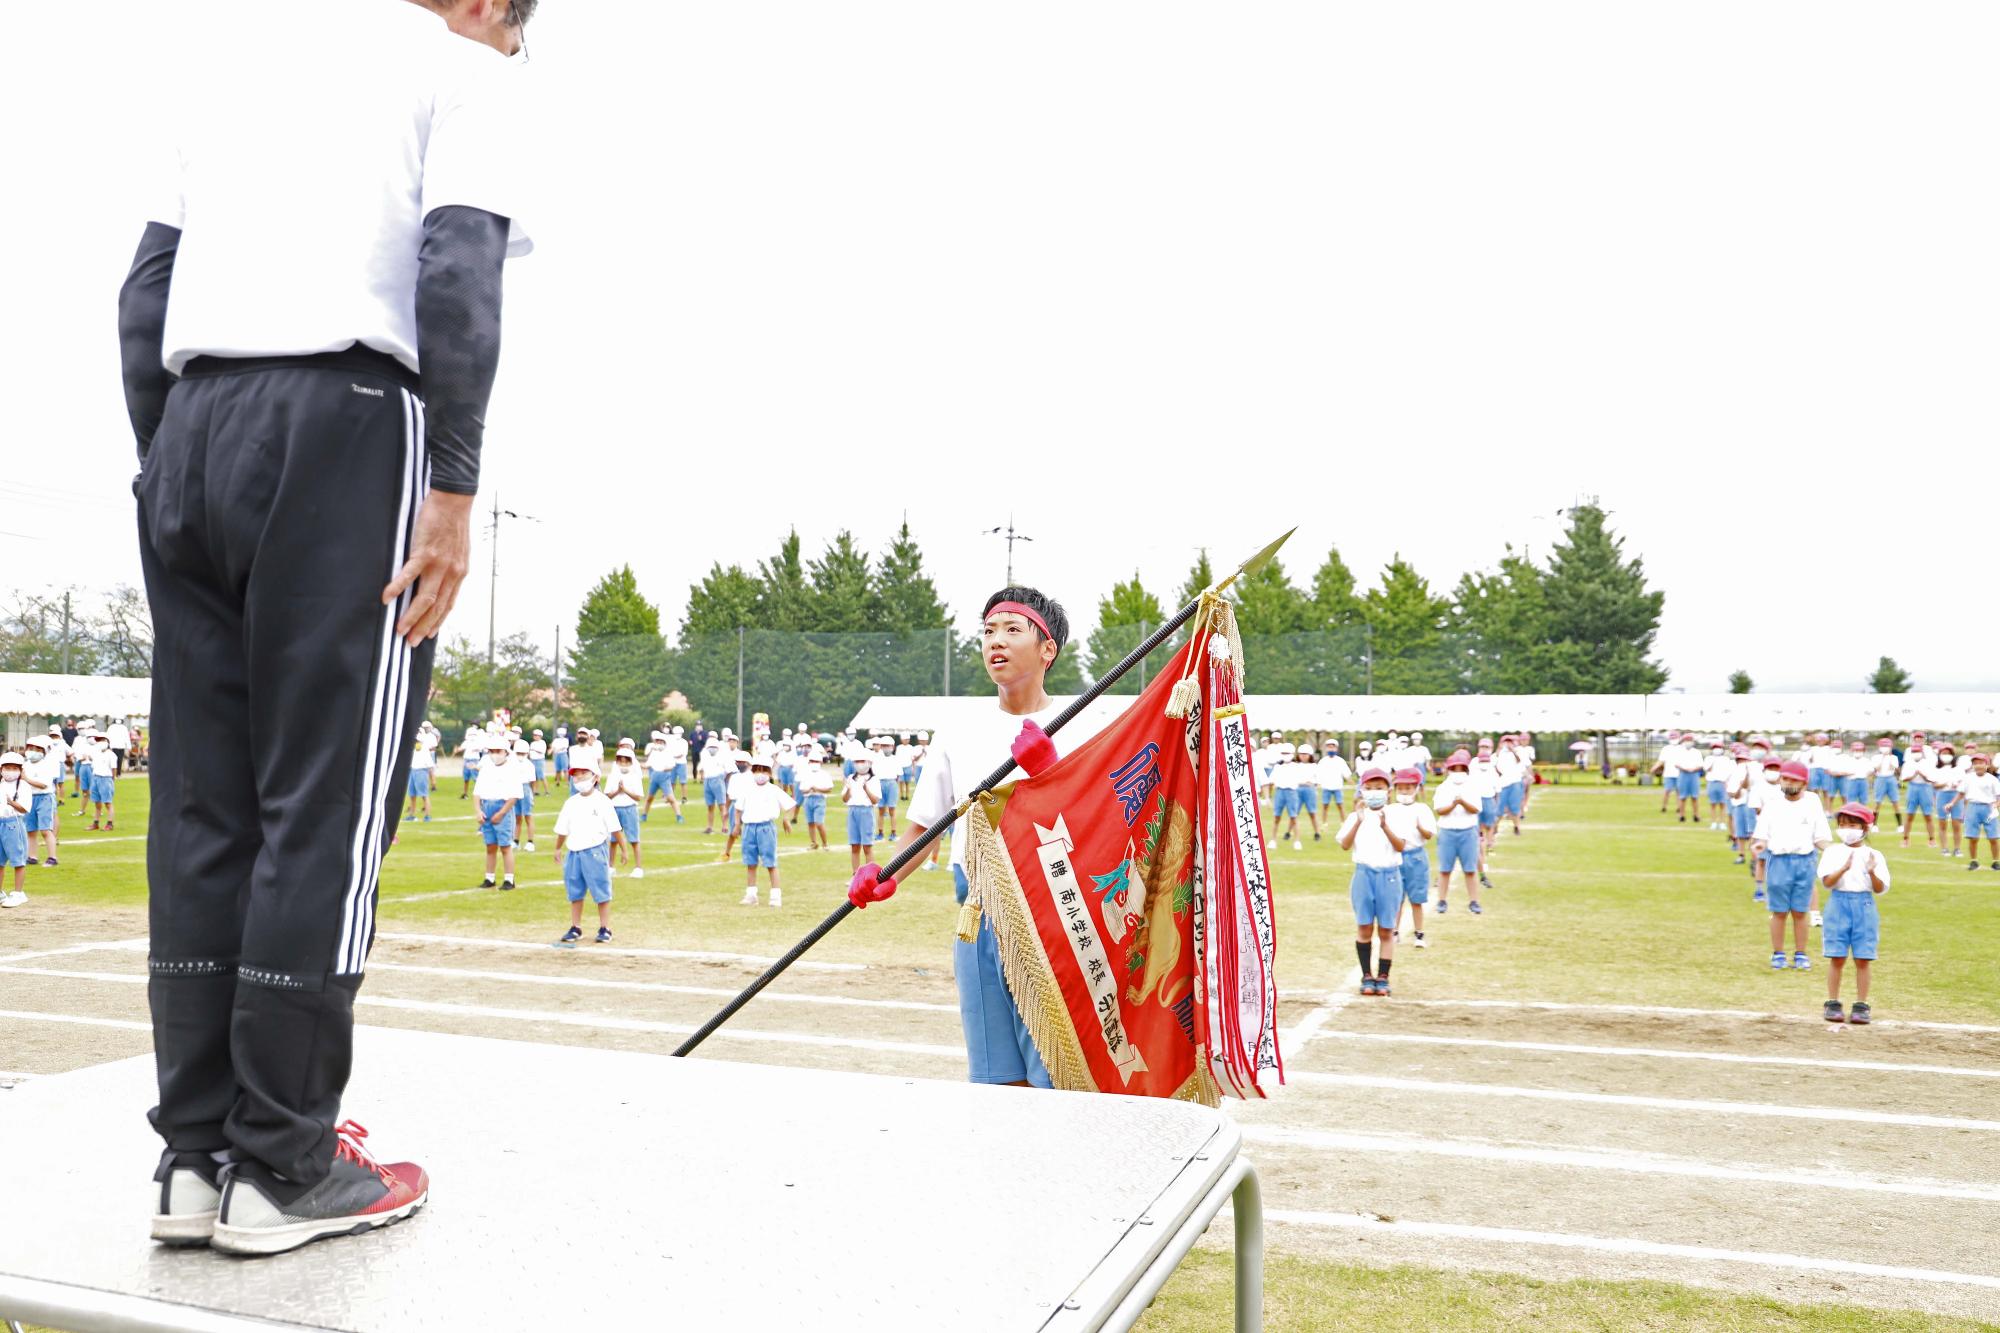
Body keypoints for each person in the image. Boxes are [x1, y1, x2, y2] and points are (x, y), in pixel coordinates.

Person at [849, 586, 1106, 1088]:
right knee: (994, 1080)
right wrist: (884, 876)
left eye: (1013, 630)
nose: (997, 641)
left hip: (1052, 921)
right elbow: (925, 829)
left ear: (1047, 648)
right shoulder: (957, 730)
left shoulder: (1078, 723)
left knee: (1054, 1077)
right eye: (989, 631)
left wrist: (1051, 775)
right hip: (977, 923)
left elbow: (1098, 823)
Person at [1752, 760, 1830, 971]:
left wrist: (1834, 851)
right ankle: (1778, 953)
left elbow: (1821, 836)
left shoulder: (1813, 802)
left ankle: (1800, 953)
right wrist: (1759, 845)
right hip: (1778, 861)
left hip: (1804, 861)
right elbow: (1761, 836)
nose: (1788, 783)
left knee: (1800, 911)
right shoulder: (1773, 803)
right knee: (1779, 911)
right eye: (1785, 778)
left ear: (1804, 782)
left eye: (1793, 779)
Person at [1338, 768, 1407, 995]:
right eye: (1369, 788)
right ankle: (1367, 975)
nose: (1374, 792)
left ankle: (1383, 977)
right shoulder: (1354, 816)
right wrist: (1358, 821)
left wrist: (1385, 825)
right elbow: (1345, 845)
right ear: (1362, 790)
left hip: (1389, 875)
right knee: (1364, 926)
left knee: (1387, 929)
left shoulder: (1396, 815)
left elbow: (1400, 846)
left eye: (1379, 788)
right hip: (1363, 875)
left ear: (1388, 790)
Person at [1820, 803, 1888, 1024]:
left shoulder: (1873, 854)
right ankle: (1832, 1001)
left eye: (1852, 824)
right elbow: (1827, 883)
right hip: (1838, 903)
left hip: (1864, 904)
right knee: (1837, 956)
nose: (1846, 829)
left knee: (1863, 958)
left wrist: (1871, 872)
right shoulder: (1833, 851)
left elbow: (1879, 889)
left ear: (1864, 828)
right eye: (1842, 824)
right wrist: (1843, 868)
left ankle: (1861, 1004)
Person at [551, 758, 623, 946]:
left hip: (595, 850)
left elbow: (615, 828)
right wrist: (558, 847)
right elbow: (562, 829)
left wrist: (623, 849)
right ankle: (576, 926)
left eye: (584, 773)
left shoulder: (603, 801)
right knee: (574, 890)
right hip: (574, 851)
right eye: (576, 774)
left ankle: (605, 927)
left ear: (596, 777)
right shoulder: (571, 803)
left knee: (601, 889)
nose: (580, 777)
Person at [735, 759, 797, 907]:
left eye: (764, 771)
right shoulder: (747, 788)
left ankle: (775, 895)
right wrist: (737, 825)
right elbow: (738, 809)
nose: (760, 774)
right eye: (757, 770)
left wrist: (786, 819)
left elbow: (791, 805)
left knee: (770, 862)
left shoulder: (773, 790)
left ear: (769, 773)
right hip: (749, 828)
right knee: (750, 862)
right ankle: (751, 894)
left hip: (766, 828)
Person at [1387, 767, 1437, 946]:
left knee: (1417, 898)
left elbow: (1429, 834)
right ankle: (1394, 931)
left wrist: (1419, 828)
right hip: (1396, 856)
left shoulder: (1422, 809)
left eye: (1408, 788)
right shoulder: (1391, 809)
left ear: (1416, 788)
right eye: (1400, 788)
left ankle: (1419, 933)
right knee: (1396, 898)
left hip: (1416, 857)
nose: (1404, 792)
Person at [1432, 751, 1483, 917]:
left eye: (1461, 769)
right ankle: (1442, 900)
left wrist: (1463, 802)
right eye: (1455, 768)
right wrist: (1455, 804)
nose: (1458, 772)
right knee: (1445, 869)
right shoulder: (1443, 788)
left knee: (1470, 869)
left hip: (1467, 831)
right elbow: (1440, 810)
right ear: (1449, 769)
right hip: (1448, 831)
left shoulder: (1473, 786)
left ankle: (1474, 901)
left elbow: (1475, 808)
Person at [474, 736, 521, 891]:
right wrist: (478, 811)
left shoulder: (512, 769)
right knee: (490, 845)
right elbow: (477, 792)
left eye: (498, 751)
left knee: (505, 846)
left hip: (503, 807)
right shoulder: (486, 768)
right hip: (487, 806)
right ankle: (490, 877)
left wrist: (501, 813)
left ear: (506, 752)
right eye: (492, 751)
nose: (495, 754)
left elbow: (514, 795)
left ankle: (509, 879)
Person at [604, 743, 646, 878]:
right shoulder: (613, 775)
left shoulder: (634, 776)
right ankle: (610, 866)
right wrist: (617, 791)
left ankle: (638, 867)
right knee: (613, 840)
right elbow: (607, 795)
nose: (623, 763)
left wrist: (625, 791)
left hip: (629, 809)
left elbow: (638, 797)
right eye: (620, 761)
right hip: (614, 808)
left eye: (626, 761)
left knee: (634, 839)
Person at [19, 737, 59, 867]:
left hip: (44, 798)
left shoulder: (46, 765)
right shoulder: (25, 765)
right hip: (29, 798)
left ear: (43, 751)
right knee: (30, 830)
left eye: (37, 749)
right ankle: (32, 857)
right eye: (30, 748)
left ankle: (52, 858)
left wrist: (26, 779)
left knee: (45, 830)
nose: (32, 751)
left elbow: (43, 785)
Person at [0, 753, 32, 907]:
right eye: (7, 768)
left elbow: (25, 809)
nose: (10, 771)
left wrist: (11, 802)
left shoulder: (24, 786)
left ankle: (19, 893)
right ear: (1, 769)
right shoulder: (1, 784)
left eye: (14, 768)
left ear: (20, 770)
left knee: (17, 860)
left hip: (14, 823)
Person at [841, 754, 881, 873]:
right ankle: (855, 875)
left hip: (866, 811)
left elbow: (875, 800)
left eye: (862, 761)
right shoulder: (851, 778)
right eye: (857, 761)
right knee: (854, 845)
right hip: (853, 811)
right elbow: (844, 799)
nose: (859, 764)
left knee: (867, 846)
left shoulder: (873, 779)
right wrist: (848, 789)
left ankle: (869, 875)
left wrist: (866, 789)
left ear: (868, 763)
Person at [1961, 752, 2000, 871]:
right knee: (1973, 837)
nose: (1978, 765)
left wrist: (1996, 805)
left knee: (1993, 837)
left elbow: (1998, 796)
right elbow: (1964, 795)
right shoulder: (1968, 778)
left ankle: (1995, 862)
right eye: (1975, 763)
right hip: (1973, 807)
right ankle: (1974, 861)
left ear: (1987, 765)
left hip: (1988, 808)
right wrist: (1964, 811)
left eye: (1981, 763)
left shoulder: (1992, 779)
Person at [642, 730, 682, 823]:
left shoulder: (668, 753)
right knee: (649, 798)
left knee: (671, 798)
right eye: (657, 741)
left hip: (664, 778)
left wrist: (666, 769)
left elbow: (672, 765)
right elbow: (648, 765)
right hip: (654, 777)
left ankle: (679, 816)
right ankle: (644, 815)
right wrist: (640, 765)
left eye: (661, 741)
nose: (659, 743)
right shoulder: (654, 753)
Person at [798, 749, 834, 850]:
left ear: (820, 762)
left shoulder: (824, 774)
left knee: (819, 822)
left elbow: (829, 788)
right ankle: (813, 843)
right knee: (810, 823)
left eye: (816, 761)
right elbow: (802, 789)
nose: (814, 763)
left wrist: (817, 789)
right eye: (812, 761)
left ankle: (825, 843)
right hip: (808, 799)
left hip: (819, 799)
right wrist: (809, 790)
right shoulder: (805, 773)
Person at [1934, 742, 1965, 858]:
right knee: (1942, 823)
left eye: (1948, 753)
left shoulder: (1958, 768)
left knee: (1956, 824)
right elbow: (1935, 785)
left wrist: (1956, 785)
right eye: (1943, 753)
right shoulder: (1937, 769)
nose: (1946, 755)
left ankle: (1957, 849)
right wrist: (1944, 784)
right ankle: (1944, 848)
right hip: (1942, 795)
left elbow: (1962, 783)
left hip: (1955, 796)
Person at [697, 735, 733, 834]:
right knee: (710, 805)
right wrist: (702, 776)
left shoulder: (723, 755)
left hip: (718, 779)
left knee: (722, 805)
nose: (712, 749)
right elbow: (701, 767)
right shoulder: (704, 754)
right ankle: (709, 826)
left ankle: (725, 826)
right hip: (707, 780)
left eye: (714, 747)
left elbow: (729, 770)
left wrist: (723, 779)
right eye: (710, 747)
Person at [509, 738, 537, 852]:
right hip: (515, 789)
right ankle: (516, 841)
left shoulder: (529, 765)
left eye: (523, 753)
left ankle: (530, 842)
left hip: (525, 789)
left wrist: (532, 795)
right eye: (518, 753)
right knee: (517, 817)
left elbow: (532, 781)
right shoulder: (511, 763)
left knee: (528, 816)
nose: (520, 755)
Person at [1870, 737, 1903, 830]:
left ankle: (1900, 825)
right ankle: (1874, 825)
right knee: (1877, 802)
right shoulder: (1875, 757)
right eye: (1883, 746)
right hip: (1880, 778)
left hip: (1891, 778)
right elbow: (1876, 769)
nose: (1885, 748)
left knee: (1895, 802)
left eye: (1887, 746)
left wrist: (1889, 760)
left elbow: (1896, 769)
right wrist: (1883, 758)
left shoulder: (1894, 757)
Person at [88, 730, 119, 831]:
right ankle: (95, 823)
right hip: (95, 778)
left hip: (106, 779)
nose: (99, 742)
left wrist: (112, 780)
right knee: (97, 803)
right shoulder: (96, 753)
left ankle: (110, 824)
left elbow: (114, 769)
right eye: (98, 740)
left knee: (107, 803)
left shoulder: (112, 755)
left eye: (102, 740)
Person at [403, 727, 436, 822]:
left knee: (424, 795)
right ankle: (412, 814)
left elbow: (430, 766)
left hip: (421, 771)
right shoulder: (412, 750)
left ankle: (427, 815)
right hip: (412, 771)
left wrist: (433, 780)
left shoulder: (424, 749)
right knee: (412, 795)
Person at [1315, 740, 1351, 820]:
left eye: (1333, 747)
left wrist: (1350, 780)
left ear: (1336, 748)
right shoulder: (1323, 761)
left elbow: (1346, 773)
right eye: (1329, 747)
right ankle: (1324, 823)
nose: (1331, 749)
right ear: (1326, 748)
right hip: (1326, 787)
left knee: (1340, 805)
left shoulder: (1340, 761)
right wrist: (1318, 783)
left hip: (1337, 787)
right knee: (1325, 806)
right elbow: (1318, 774)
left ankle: (1343, 822)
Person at [1703, 740, 1732, 831]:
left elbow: (1728, 772)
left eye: (1718, 747)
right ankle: (1714, 822)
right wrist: (1713, 761)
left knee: (1723, 804)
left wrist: (1726, 783)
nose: (1717, 749)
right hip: (1712, 782)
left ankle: (1722, 822)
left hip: (1722, 783)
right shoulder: (1708, 758)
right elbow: (1707, 769)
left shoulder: (1726, 759)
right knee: (1713, 804)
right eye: (1715, 748)